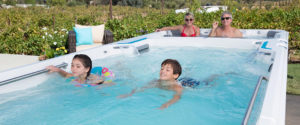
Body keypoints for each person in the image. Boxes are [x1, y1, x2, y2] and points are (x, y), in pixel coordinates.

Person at [118, 59, 183, 110]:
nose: (163, 71)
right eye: (162, 68)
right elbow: (143, 88)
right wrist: (130, 94)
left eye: (167, 70)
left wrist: (167, 104)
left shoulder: (177, 87)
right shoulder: (156, 82)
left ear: (175, 75)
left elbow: (177, 97)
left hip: (187, 82)